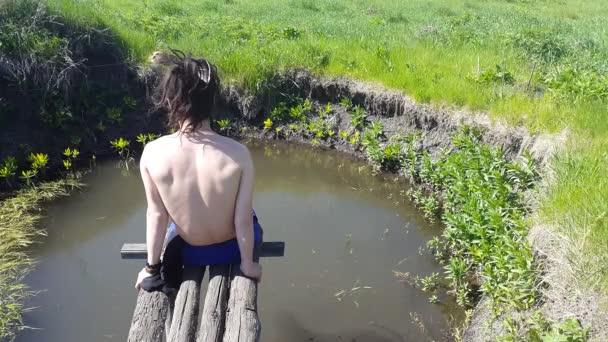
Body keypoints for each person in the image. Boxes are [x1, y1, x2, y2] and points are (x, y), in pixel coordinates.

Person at [134, 50, 262, 291]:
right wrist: (248, 265)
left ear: (170, 101)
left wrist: (151, 269)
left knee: (173, 225)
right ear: (212, 102)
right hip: (233, 250)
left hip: (191, 254)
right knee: (249, 214)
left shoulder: (152, 153)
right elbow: (242, 219)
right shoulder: (238, 153)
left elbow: (157, 216)